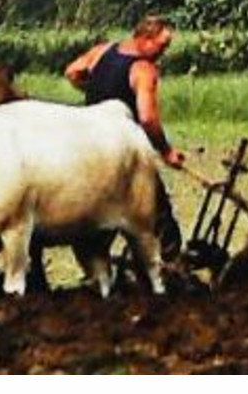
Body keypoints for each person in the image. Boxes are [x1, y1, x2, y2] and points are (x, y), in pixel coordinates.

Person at [64, 16, 185, 258]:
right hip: (122, 149)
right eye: (162, 46)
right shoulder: (143, 69)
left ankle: (96, 265)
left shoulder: (102, 51)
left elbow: (72, 72)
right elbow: (148, 118)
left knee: (95, 206)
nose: (163, 53)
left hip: (89, 146)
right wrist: (166, 151)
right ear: (145, 38)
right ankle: (169, 268)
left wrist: (96, 91)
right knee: (158, 213)